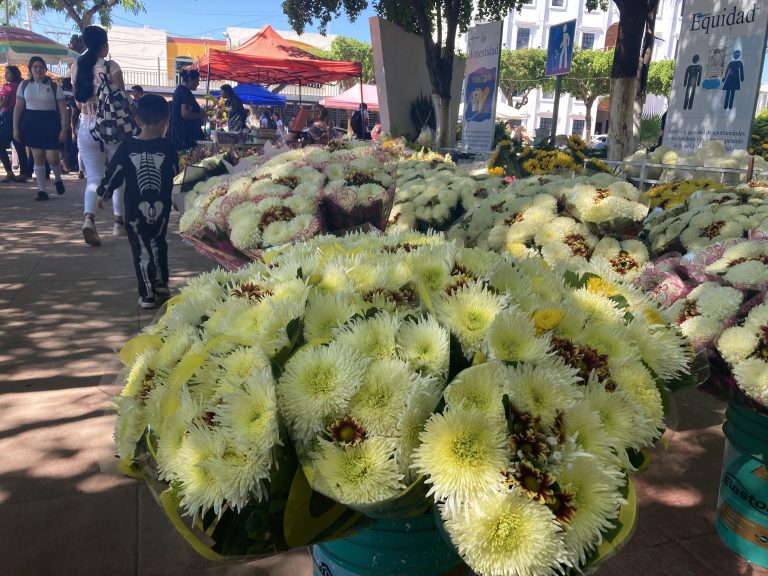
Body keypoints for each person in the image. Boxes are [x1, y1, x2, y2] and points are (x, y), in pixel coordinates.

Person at [96, 94, 179, 309]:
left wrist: (103, 192)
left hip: (134, 211)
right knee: (159, 244)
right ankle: (160, 283)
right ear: (165, 122)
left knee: (141, 249)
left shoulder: (128, 146)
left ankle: (148, 294)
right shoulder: (168, 147)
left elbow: (115, 172)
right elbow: (176, 175)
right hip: (162, 210)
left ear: (137, 120)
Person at [72, 25, 128, 245]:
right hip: (112, 127)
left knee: (93, 177)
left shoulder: (77, 66)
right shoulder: (111, 66)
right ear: (103, 44)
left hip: (87, 124)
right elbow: (122, 98)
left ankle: (89, 218)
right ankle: (118, 223)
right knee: (117, 173)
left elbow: (77, 102)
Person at [13, 56, 68, 201]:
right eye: (35, 66)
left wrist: (64, 129)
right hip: (32, 124)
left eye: (41, 67)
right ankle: (42, 191)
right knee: (38, 158)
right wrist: (15, 128)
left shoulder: (54, 86)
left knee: (53, 158)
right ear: (31, 69)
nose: (38, 69)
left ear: (46, 69)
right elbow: (18, 108)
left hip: (51, 123)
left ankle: (57, 179)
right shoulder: (24, 86)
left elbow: (63, 109)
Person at [0, 65, 29, 182]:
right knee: (19, 146)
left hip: (8, 118)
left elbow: (3, 103)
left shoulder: (7, 86)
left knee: (1, 145)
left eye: (8, 73)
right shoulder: (22, 86)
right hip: (21, 117)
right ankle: (23, 173)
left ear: (14, 74)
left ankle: (9, 171)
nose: (5, 75)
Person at [170, 69, 203, 151]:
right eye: (196, 81)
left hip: (177, 133)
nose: (198, 84)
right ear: (189, 80)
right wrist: (202, 114)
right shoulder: (186, 94)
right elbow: (185, 114)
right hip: (185, 136)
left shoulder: (178, 90)